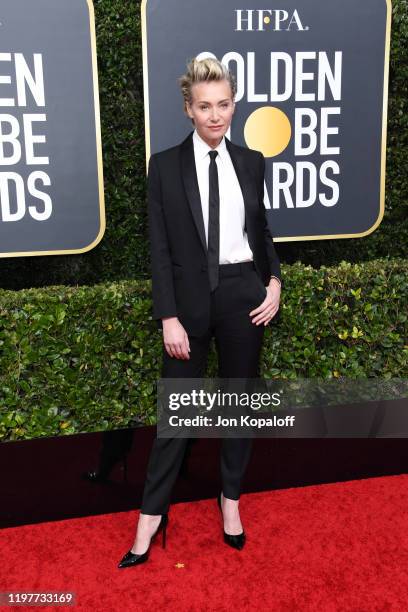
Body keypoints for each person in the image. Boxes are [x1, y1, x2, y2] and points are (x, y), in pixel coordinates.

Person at [118, 57, 281, 568]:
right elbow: (160, 249)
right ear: (189, 109)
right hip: (187, 305)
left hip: (243, 296)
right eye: (205, 106)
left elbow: (263, 232)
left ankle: (229, 501)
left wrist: (273, 283)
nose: (217, 116)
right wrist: (168, 315)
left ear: (234, 105)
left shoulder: (253, 161)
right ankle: (151, 516)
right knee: (177, 416)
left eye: (225, 105)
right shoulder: (164, 166)